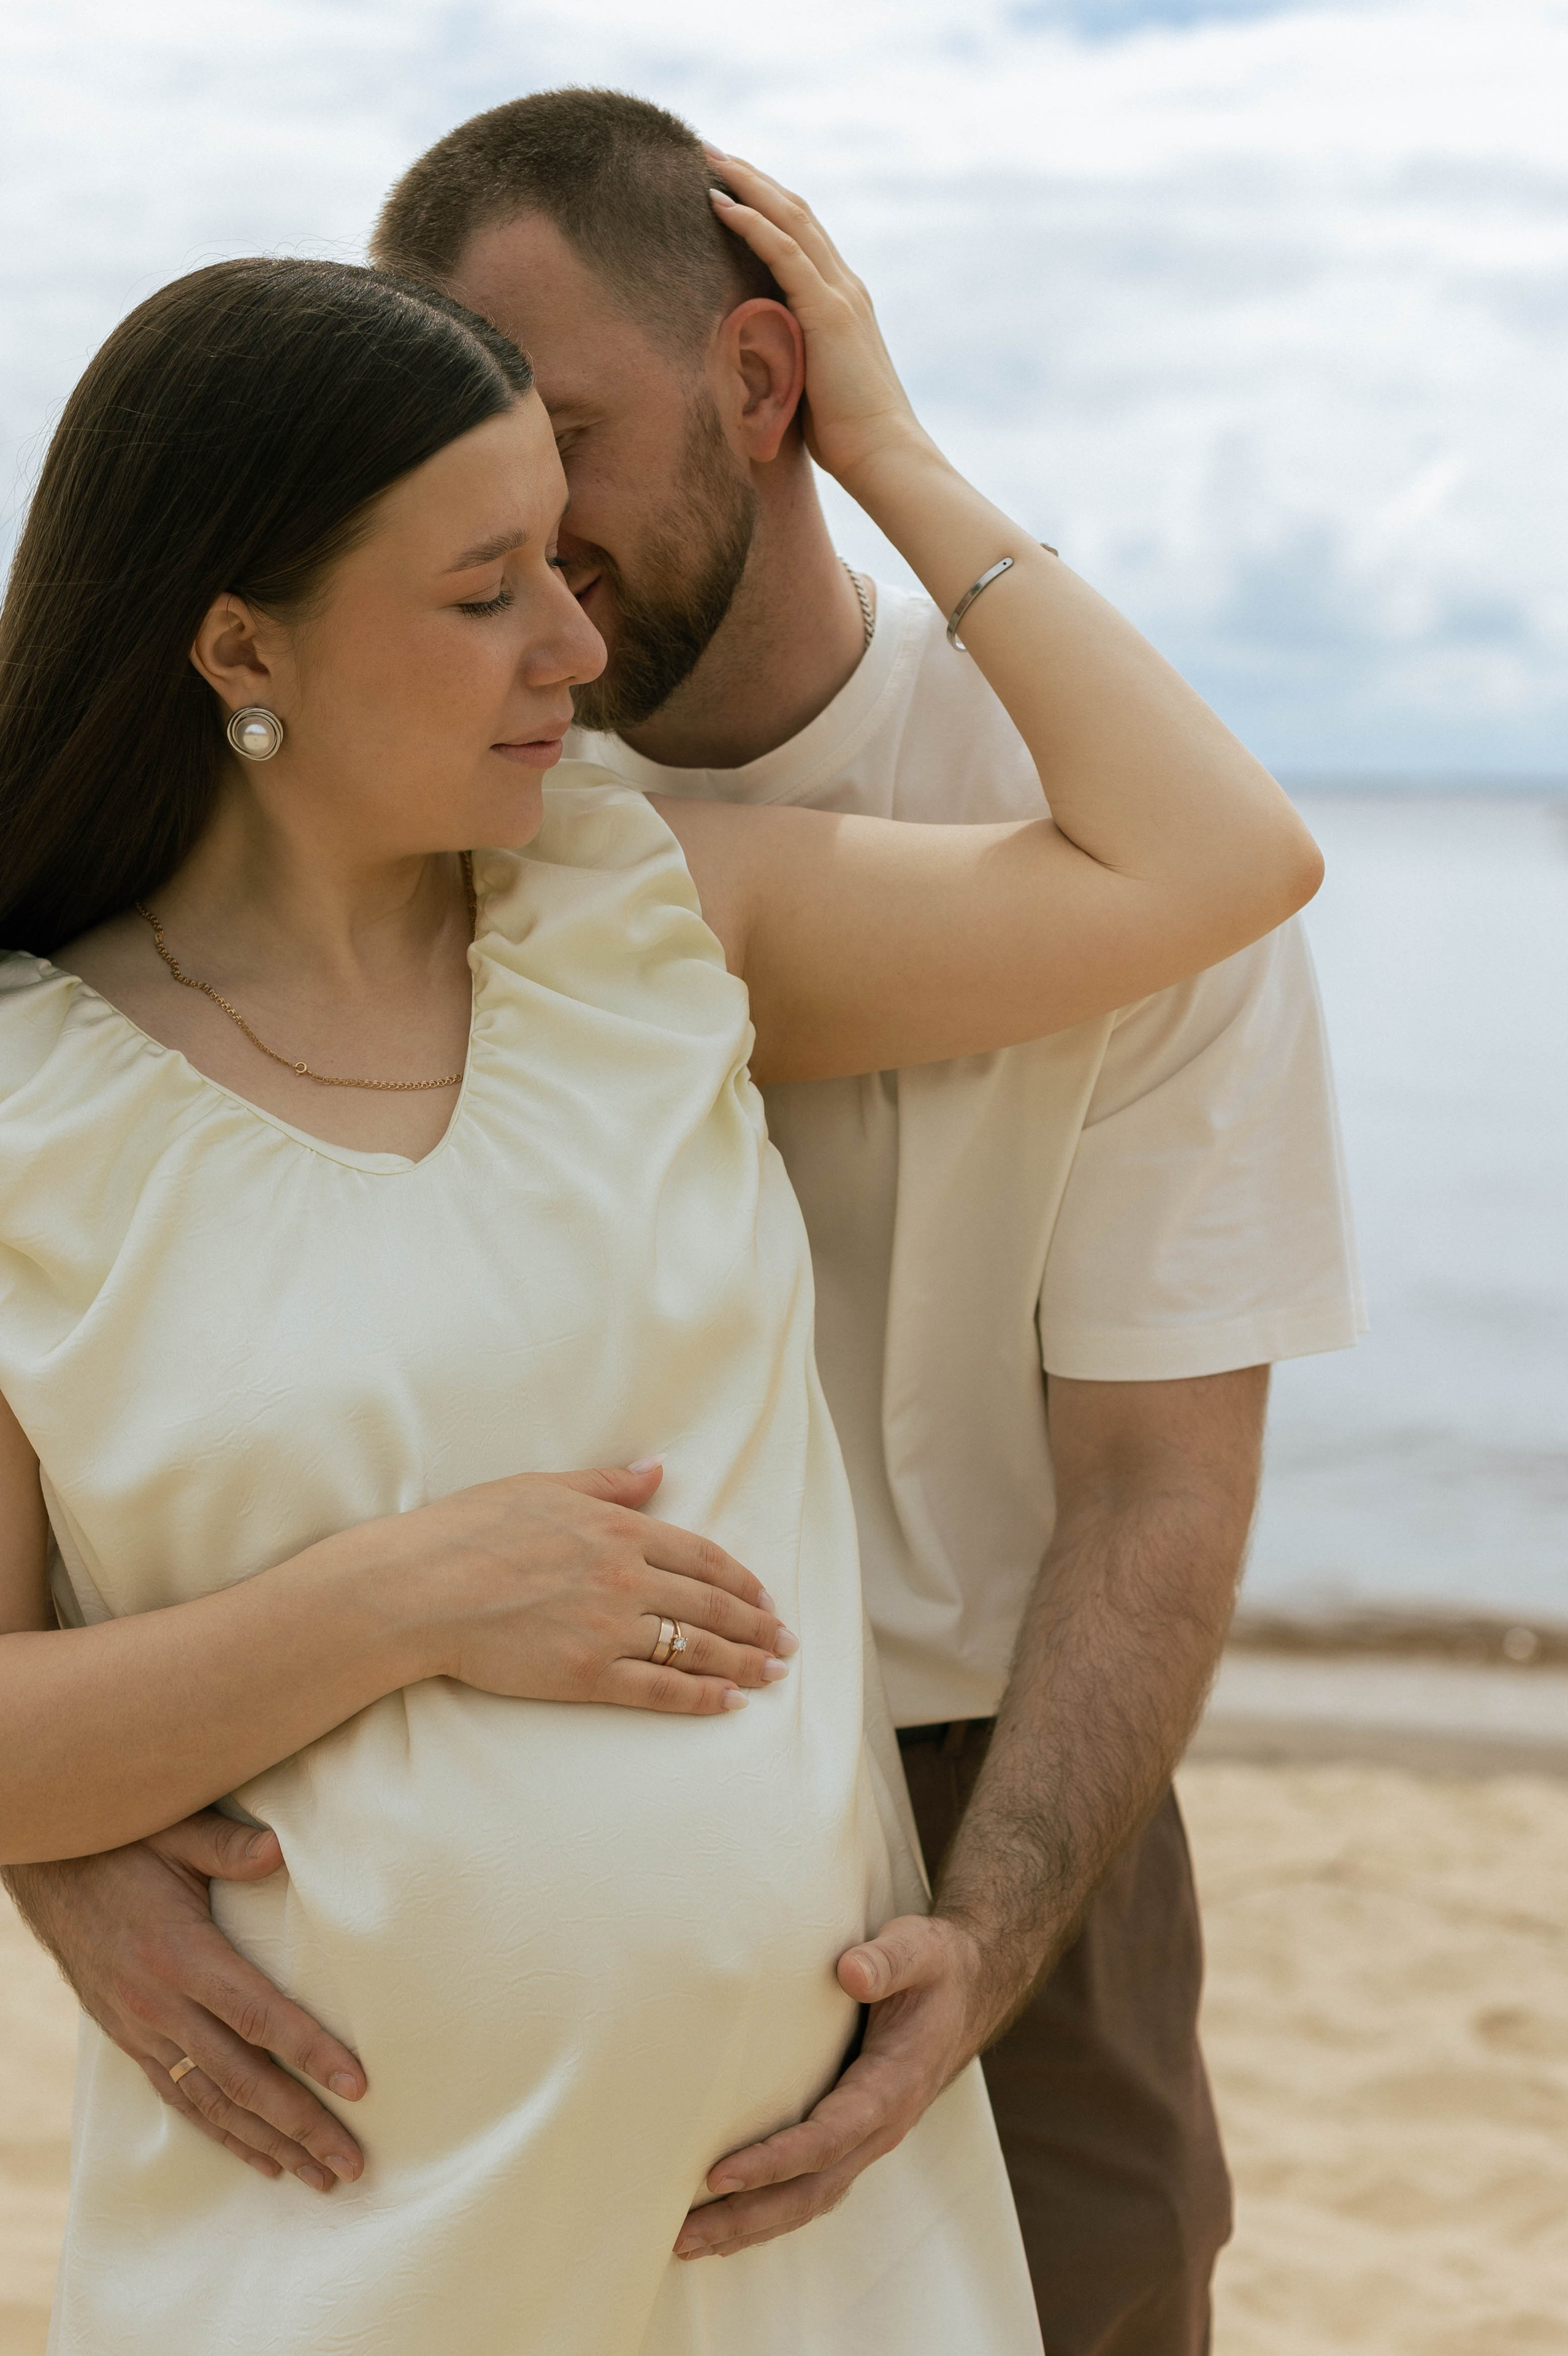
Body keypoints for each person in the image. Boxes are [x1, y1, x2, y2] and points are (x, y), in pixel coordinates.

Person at [0, 157, 1318, 2356]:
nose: (579, 648)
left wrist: (878, 439)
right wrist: (414, 1593)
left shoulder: (647, 921)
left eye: (561, 547)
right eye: (487, 587)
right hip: (333, 2241)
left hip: (810, 2243)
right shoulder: (28, 1107)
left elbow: (1222, 856)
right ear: (242, 646)